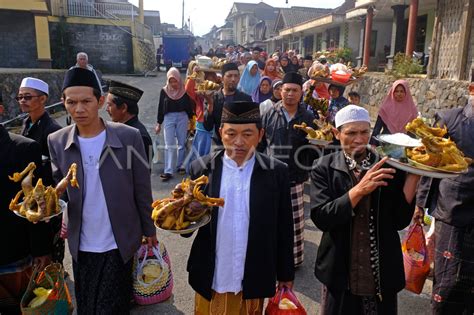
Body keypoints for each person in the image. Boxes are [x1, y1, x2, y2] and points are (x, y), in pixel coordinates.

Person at [48, 68, 157, 314]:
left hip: (118, 242)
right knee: (87, 306)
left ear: (99, 101)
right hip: (82, 244)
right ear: (63, 102)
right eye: (71, 102)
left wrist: (149, 228)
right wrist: (54, 208)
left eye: (86, 101)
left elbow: (141, 187)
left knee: (112, 308)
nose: (79, 109)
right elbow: (58, 193)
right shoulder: (57, 141)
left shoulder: (129, 137)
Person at [310, 105, 420, 315]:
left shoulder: (388, 165)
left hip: (381, 269)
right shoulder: (323, 167)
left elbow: (399, 220)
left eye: (364, 132)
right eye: (351, 133)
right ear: (336, 133)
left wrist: (414, 175)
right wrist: (359, 190)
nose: (359, 139)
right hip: (340, 269)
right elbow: (322, 218)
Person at [187, 101, 295, 314]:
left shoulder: (276, 172)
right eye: (231, 134)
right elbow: (186, 227)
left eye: (247, 134)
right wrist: (188, 211)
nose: (238, 142)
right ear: (220, 133)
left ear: (261, 134)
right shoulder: (202, 168)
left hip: (254, 271)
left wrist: (285, 273)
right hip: (212, 271)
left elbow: (284, 227)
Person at [416, 80, 474, 314]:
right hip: (454, 208)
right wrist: (420, 204)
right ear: (471, 89)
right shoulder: (449, 119)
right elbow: (431, 163)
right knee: (449, 280)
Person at [261, 72, 317, 267]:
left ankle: (295, 260)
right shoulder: (270, 113)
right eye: (287, 90)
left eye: (294, 90)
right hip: (272, 176)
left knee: (295, 222)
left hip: (296, 176)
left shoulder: (308, 117)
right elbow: (261, 143)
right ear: (280, 91)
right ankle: (271, 257)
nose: (290, 94)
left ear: (301, 93)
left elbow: (313, 146)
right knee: (271, 219)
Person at [0, 123, 52, 314]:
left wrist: (42, 249)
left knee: (26, 308)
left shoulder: (24, 148)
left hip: (16, 253)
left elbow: (38, 203)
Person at [17, 77, 64, 265]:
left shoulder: (52, 130)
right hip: (31, 198)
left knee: (50, 247)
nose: (22, 101)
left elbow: (59, 170)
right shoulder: (26, 123)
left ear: (43, 99)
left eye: (27, 97)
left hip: (47, 200)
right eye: (20, 97)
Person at [156, 67, 194, 181]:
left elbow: (189, 106)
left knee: (181, 143)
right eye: (171, 81)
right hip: (169, 118)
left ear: (179, 79)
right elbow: (160, 107)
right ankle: (168, 171)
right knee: (169, 144)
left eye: (175, 80)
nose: (173, 83)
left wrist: (191, 119)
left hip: (182, 117)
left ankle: (180, 165)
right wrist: (159, 123)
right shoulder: (164, 91)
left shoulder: (184, 90)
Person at [203, 63, 252, 146]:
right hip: (219, 144)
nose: (233, 79)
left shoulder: (246, 99)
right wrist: (210, 106)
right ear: (222, 78)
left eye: (236, 76)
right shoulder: (213, 98)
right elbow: (208, 127)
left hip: (239, 145)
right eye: (229, 76)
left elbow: (250, 126)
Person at [105, 80, 153, 161]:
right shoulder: (118, 128)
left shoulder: (140, 137)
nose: (106, 109)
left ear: (123, 108)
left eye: (110, 105)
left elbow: (143, 170)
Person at [184, 61, 213, 169]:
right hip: (201, 120)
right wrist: (194, 75)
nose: (210, 80)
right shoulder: (198, 90)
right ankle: (196, 169)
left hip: (215, 122)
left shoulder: (217, 89)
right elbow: (188, 90)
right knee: (200, 149)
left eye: (212, 78)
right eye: (208, 78)